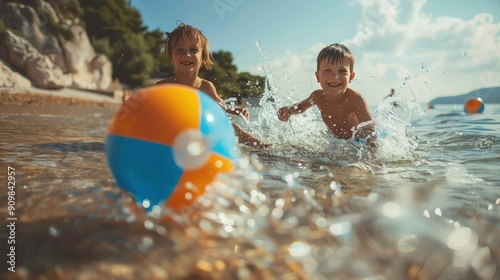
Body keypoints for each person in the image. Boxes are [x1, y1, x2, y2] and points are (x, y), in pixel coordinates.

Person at [156, 23, 270, 149]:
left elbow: (220, 104)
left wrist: (232, 108)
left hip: (199, 134)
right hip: (173, 136)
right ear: (172, 56)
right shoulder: (163, 87)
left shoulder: (206, 86)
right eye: (179, 50)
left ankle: (263, 148)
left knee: (232, 127)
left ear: (203, 56)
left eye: (193, 50)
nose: (187, 55)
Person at [277, 43, 377, 150]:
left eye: (342, 71)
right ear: (317, 76)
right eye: (327, 71)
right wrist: (289, 110)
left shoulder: (355, 99)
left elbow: (370, 132)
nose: (335, 76)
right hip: (335, 142)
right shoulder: (317, 96)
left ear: (351, 77)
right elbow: (301, 107)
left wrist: (372, 159)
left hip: (356, 143)